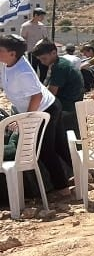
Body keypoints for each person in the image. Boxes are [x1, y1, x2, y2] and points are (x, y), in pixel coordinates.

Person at [0, 34, 73, 196]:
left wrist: (24, 120)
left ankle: (62, 188)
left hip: (45, 109)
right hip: (46, 106)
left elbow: (37, 96)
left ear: (12, 53)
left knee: (45, 150)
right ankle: (76, 175)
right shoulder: (6, 64)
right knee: (58, 145)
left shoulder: (22, 71)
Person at [32, 39, 85, 133]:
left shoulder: (60, 67)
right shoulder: (59, 62)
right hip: (71, 104)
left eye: (44, 59)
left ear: (53, 53)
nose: (42, 62)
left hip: (68, 107)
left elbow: (51, 93)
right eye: (40, 59)